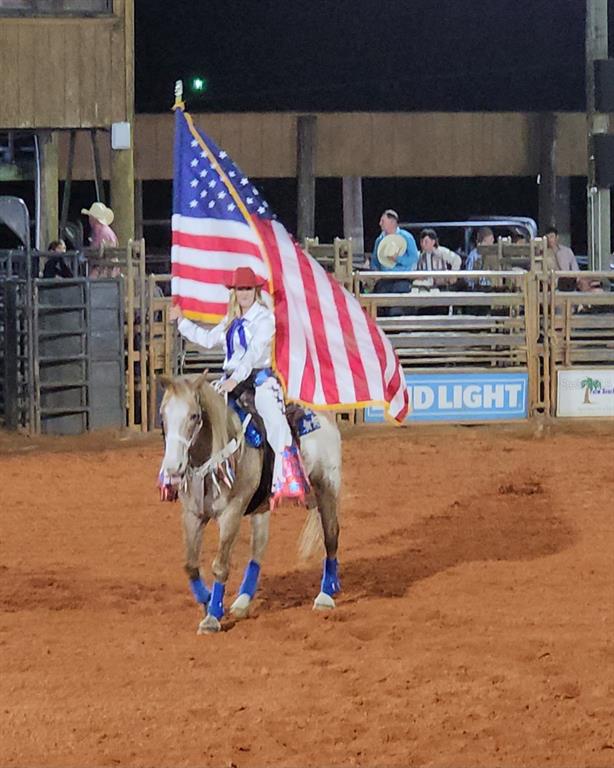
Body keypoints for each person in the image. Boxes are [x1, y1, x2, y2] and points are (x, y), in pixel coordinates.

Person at [168, 266, 309, 508]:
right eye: (239, 289)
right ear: (234, 292)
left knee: (273, 417)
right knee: (194, 414)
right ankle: (176, 472)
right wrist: (181, 321)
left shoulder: (265, 320)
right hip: (230, 379)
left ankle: (287, 477)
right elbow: (208, 339)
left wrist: (236, 378)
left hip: (259, 379)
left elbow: (253, 354)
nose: (244, 293)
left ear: (255, 291)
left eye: (247, 289)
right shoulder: (231, 320)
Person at [369, 209, 419, 316]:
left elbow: (414, 257)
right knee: (379, 306)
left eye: (383, 221)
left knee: (397, 308)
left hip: (402, 278)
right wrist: (375, 271)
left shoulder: (406, 237)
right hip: (384, 279)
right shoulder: (379, 240)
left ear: (392, 222)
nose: (380, 223)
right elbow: (375, 260)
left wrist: (398, 259)